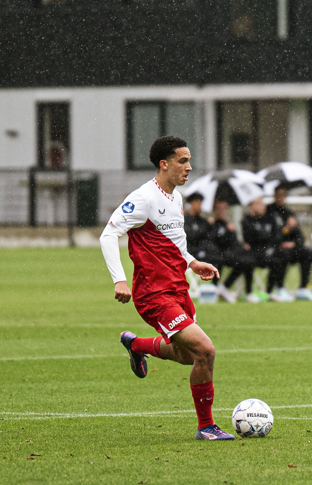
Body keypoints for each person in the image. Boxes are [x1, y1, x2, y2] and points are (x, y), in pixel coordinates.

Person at [99, 135, 234, 440]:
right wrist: (119, 278)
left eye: (189, 160)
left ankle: (136, 345)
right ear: (164, 164)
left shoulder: (176, 197)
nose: (189, 167)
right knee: (205, 350)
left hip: (178, 288)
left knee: (187, 357)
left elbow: (173, 243)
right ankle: (206, 427)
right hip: (153, 294)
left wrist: (192, 262)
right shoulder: (143, 198)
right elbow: (108, 234)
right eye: (182, 161)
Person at [266, 186, 312, 301]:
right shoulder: (268, 212)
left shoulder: (289, 213)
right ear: (274, 195)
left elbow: (300, 237)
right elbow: (270, 236)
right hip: (277, 250)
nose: (281, 198)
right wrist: (286, 229)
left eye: (284, 195)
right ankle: (279, 290)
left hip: (294, 249)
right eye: (279, 195)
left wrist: (293, 240)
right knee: (283, 255)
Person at [209, 199, 257, 303]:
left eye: (224, 209)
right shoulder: (212, 225)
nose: (222, 211)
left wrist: (233, 234)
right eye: (219, 209)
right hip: (218, 254)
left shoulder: (229, 226)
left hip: (231, 254)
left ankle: (248, 292)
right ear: (214, 210)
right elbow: (214, 241)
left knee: (248, 260)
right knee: (232, 261)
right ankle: (216, 289)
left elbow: (234, 243)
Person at [241, 197, 287, 301]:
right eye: (258, 204)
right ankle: (249, 293)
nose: (262, 206)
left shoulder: (270, 219)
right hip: (253, 254)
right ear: (251, 206)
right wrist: (262, 238)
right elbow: (250, 239)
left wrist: (269, 246)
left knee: (279, 260)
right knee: (247, 262)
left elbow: (276, 237)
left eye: (262, 203)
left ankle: (270, 292)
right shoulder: (247, 220)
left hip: (267, 253)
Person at [183, 192, 222, 277]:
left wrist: (213, 224)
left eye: (200, 203)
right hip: (192, 251)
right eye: (198, 203)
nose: (199, 206)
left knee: (219, 257)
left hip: (205, 250)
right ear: (191, 204)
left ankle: (215, 285)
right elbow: (190, 236)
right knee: (213, 258)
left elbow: (211, 236)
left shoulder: (203, 221)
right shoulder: (185, 220)